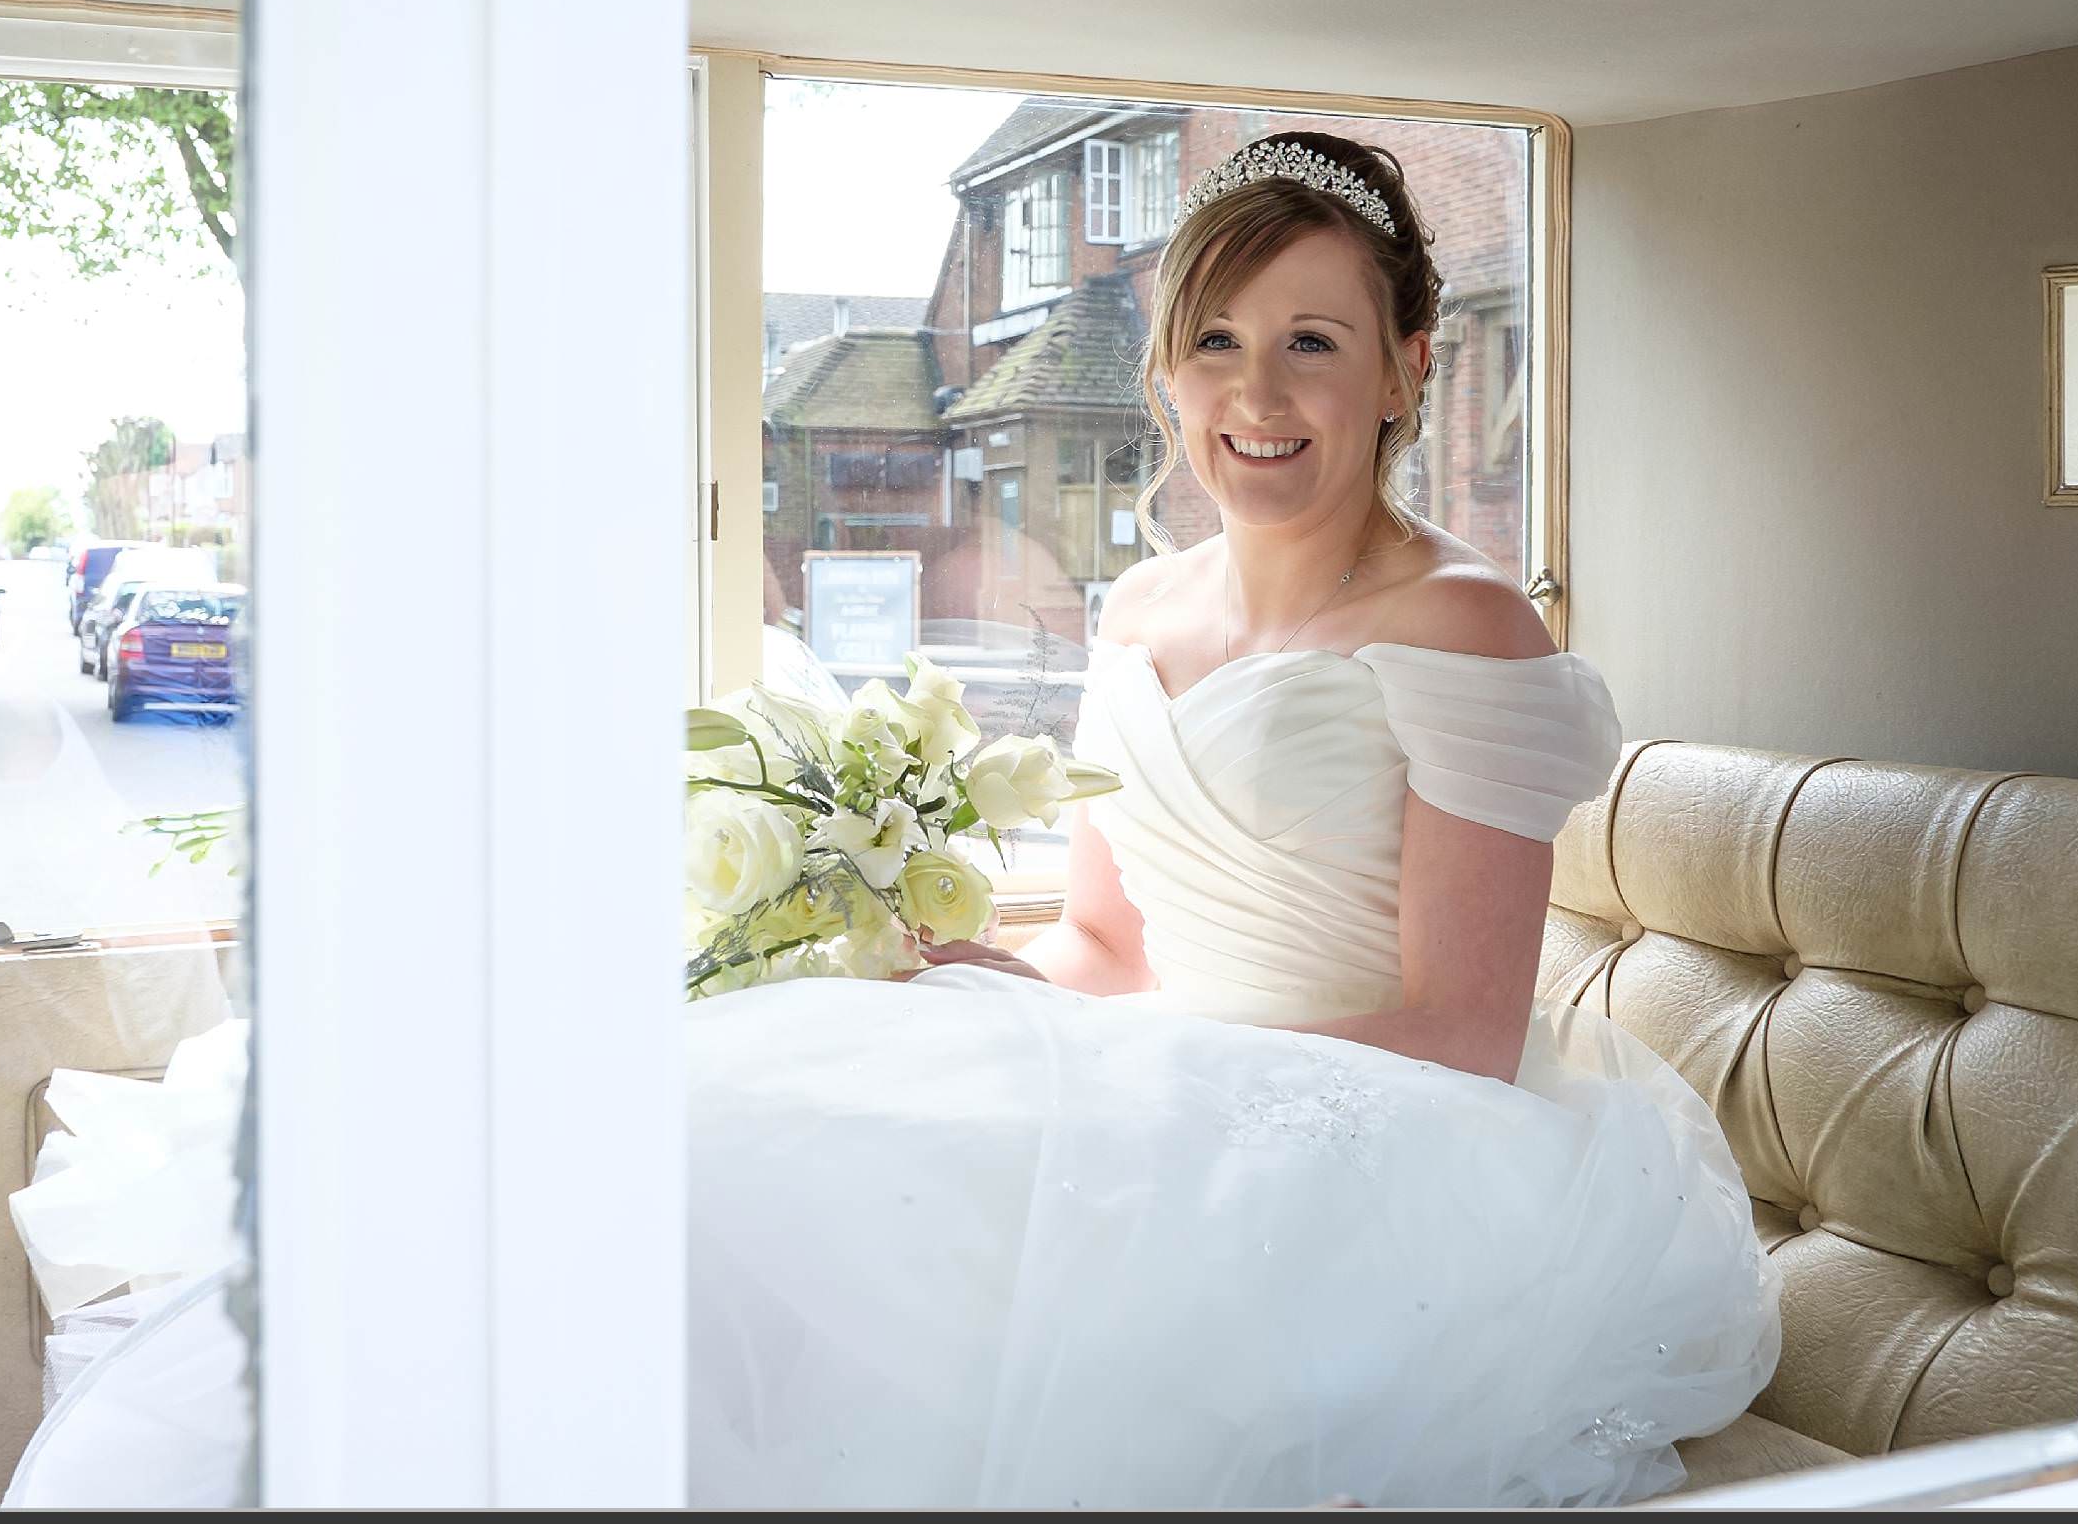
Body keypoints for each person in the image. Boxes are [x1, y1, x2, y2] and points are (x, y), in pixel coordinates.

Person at [688, 132, 1781, 1511]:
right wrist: (998, 993)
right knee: (771, 1143)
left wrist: (1147, 1075)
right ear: (1166, 375)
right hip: (1166, 1076)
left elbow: (1462, 1032)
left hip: (1386, 1140)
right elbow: (1101, 939)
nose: (1257, 393)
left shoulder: (1466, 623)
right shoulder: (1139, 610)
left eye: (1313, 342)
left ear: (1407, 367)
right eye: (1216, 339)